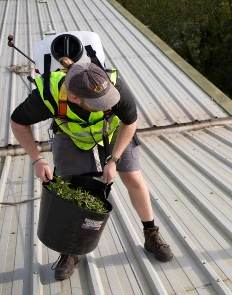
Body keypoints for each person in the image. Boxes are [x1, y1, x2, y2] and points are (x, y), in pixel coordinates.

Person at [10, 60, 174, 280]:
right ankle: (70, 250)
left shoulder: (114, 86)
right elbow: (18, 122)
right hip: (71, 133)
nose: (106, 103)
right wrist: (37, 159)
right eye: (98, 102)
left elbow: (130, 121)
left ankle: (151, 233)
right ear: (74, 97)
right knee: (74, 186)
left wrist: (113, 159)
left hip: (113, 128)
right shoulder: (46, 96)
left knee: (133, 177)